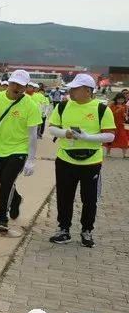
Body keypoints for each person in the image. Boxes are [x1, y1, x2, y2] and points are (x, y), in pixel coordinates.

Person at [47, 74, 116, 247]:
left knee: (89, 199)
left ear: (88, 90)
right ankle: (63, 229)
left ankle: (87, 231)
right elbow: (53, 129)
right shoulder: (63, 106)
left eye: (76, 89)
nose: (71, 91)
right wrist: (65, 133)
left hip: (90, 162)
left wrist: (88, 137)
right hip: (65, 159)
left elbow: (110, 135)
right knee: (64, 197)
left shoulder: (101, 109)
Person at [0, 69, 41, 233]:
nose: (16, 87)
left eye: (20, 85)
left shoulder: (31, 105)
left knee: (6, 182)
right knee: (3, 180)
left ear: (26, 87)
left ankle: (1, 218)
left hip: (19, 149)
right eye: (13, 83)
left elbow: (33, 135)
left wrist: (31, 160)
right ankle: (16, 199)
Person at [106, 93, 128, 158]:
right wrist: (118, 110)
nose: (121, 101)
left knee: (124, 139)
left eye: (122, 100)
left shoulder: (125, 106)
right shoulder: (112, 105)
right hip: (112, 125)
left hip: (121, 125)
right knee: (111, 139)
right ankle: (108, 152)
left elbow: (126, 115)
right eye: (119, 99)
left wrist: (125, 116)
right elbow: (109, 114)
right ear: (116, 99)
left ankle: (125, 154)